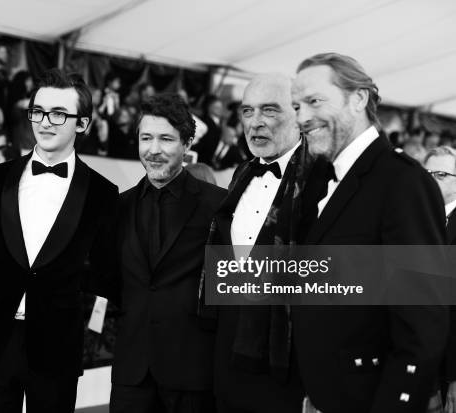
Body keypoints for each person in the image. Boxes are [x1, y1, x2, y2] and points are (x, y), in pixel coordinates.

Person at [290, 52, 448, 413]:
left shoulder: (403, 181)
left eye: (314, 101)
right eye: (297, 106)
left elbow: (422, 325)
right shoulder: (320, 180)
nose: (301, 117)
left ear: (358, 98)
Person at [0, 68, 119, 413]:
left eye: (59, 113)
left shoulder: (103, 193)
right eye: (38, 112)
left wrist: (67, 281)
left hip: (58, 346)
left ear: (82, 123)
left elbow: (106, 271)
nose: (45, 122)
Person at [110, 93, 226, 413]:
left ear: (186, 143)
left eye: (166, 139)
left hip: (193, 373)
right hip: (131, 373)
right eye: (146, 138)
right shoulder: (119, 206)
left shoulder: (218, 204)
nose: (154, 149)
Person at [204, 73, 313, 413]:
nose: (256, 123)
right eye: (248, 112)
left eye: (270, 110)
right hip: (228, 355)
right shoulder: (241, 175)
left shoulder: (322, 181)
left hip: (286, 362)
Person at [424, 146, 456, 412]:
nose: (432, 179)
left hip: (449, 365)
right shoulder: (415, 220)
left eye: (442, 174)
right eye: (427, 173)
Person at [192, 95, 224, 164]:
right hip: (201, 159)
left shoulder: (218, 123)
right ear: (210, 108)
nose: (221, 110)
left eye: (221, 107)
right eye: (217, 107)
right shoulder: (205, 122)